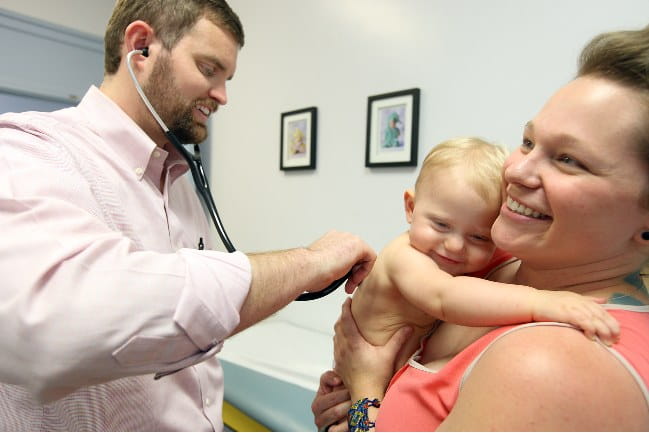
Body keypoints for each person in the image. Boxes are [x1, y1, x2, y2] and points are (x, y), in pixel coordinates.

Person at [0, 0, 376, 431]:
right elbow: (58, 324)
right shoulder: (29, 151)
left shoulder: (180, 182)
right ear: (141, 47)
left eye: (227, 79)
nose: (222, 96)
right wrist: (308, 263)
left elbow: (195, 339)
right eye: (209, 69)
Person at [313, 24, 649, 431]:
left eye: (568, 160)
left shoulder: (546, 367)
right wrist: (346, 406)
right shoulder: (497, 257)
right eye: (527, 142)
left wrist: (365, 389)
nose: (517, 171)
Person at [349, 137, 619, 375]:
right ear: (411, 207)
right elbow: (445, 296)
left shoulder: (462, 256)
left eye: (479, 237)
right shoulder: (403, 256)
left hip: (376, 380)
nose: (455, 246)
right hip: (356, 387)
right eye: (441, 225)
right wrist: (540, 301)